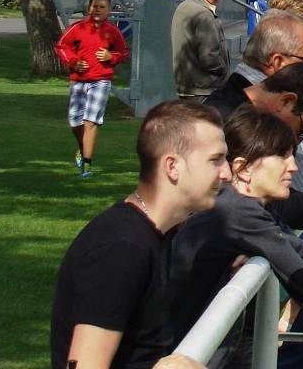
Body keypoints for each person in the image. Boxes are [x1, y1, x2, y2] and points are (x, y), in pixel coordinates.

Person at [50, 101, 231, 369]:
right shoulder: (120, 248)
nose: (227, 173)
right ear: (172, 166)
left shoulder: (159, 233)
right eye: (215, 160)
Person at [168, 103, 303, 364]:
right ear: (243, 168)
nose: (293, 167)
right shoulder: (237, 211)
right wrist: (277, 247)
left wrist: (275, 245)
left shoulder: (252, 207)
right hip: (192, 353)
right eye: (282, 156)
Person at [54, 0, 129, 178]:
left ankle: (86, 165)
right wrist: (73, 62)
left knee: (91, 121)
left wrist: (111, 56)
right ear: (89, 8)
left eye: (102, 7)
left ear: (108, 10)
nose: (98, 10)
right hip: (79, 80)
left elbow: (124, 53)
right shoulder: (77, 28)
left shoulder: (112, 31)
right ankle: (82, 146)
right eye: (95, 6)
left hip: (101, 80)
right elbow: (61, 47)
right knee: (75, 120)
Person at [170, 0, 230, 100]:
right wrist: (223, 71)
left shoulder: (184, 7)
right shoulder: (203, 14)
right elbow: (209, 56)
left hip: (188, 86)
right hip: (203, 89)